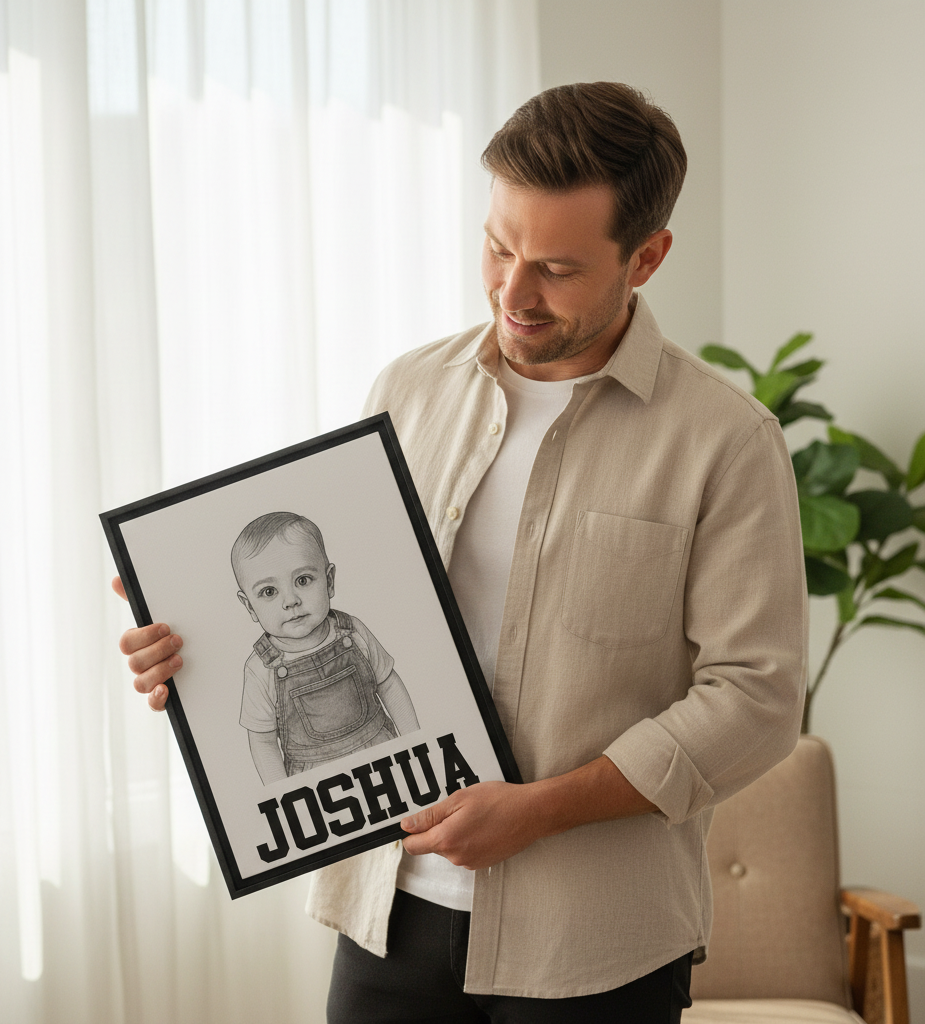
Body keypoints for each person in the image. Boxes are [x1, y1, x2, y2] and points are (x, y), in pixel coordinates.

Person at [115, 82, 806, 1022]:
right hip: (389, 910)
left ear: (647, 256)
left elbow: (756, 698)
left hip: (596, 945)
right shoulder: (407, 390)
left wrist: (543, 807)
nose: (512, 293)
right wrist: (186, 646)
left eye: (556, 269)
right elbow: (329, 610)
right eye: (497, 247)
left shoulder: (725, 441)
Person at [231, 510, 419, 784]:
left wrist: (416, 742)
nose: (291, 600)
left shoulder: (353, 631)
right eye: (269, 592)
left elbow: (389, 685)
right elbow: (263, 741)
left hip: (384, 757)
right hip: (317, 784)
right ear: (250, 606)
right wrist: (284, 795)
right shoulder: (261, 668)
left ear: (329, 581)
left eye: (303, 580)